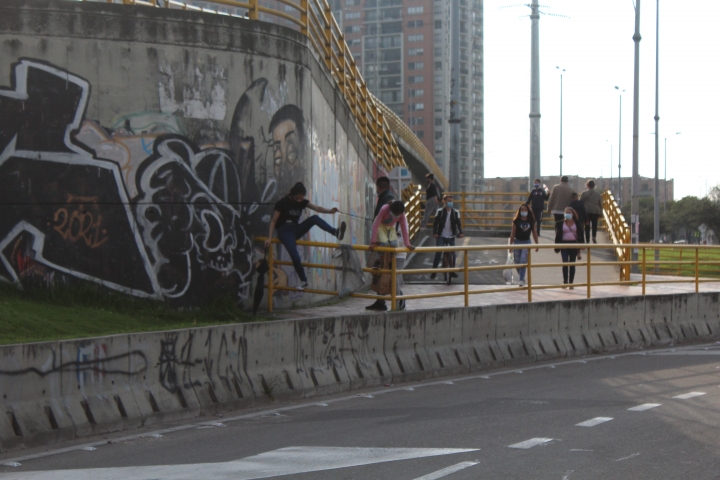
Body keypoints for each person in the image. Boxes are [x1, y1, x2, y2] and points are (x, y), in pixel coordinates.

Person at [265, 182, 346, 290]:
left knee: (314, 219)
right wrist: (269, 238)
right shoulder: (283, 203)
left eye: (301, 199)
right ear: (292, 195)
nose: (299, 201)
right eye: (297, 199)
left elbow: (317, 208)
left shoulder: (303, 202)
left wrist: (330, 211)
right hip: (284, 231)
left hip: (295, 229)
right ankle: (303, 280)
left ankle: (335, 232)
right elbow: (273, 221)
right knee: (295, 256)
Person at [367, 201, 416, 311]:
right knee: (382, 276)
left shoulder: (401, 218)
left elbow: (404, 231)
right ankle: (381, 302)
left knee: (394, 278)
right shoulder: (385, 211)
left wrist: (408, 244)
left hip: (398, 253)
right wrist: (373, 242)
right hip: (387, 251)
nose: (395, 217)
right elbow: (376, 225)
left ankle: (399, 302)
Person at [365, 176, 397, 311]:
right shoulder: (391, 197)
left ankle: (384, 301)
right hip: (388, 239)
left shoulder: (385, 199)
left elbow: (378, 221)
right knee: (381, 270)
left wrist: (374, 241)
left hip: (382, 241)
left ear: (379, 187)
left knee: (379, 270)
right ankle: (381, 300)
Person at [431, 195, 464, 280]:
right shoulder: (440, 212)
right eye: (448, 201)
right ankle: (434, 272)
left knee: (453, 254)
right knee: (438, 253)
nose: (450, 203)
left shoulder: (455, 212)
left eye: (451, 201)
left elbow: (458, 224)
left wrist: (460, 232)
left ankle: (452, 272)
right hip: (441, 235)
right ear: (444, 201)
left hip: (451, 235)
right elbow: (435, 224)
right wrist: (435, 233)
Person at [554, 206, 585, 289]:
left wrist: (582, 245)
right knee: (565, 263)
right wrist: (556, 246)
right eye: (566, 213)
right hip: (564, 245)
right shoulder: (560, 223)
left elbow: (581, 234)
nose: (568, 214)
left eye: (569, 213)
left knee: (572, 263)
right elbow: (557, 235)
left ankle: (571, 282)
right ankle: (565, 282)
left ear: (573, 214)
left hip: (574, 245)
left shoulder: (577, 223)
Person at [509, 204, 539, 287]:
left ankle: (521, 279)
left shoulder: (531, 221)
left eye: (525, 210)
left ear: (528, 211)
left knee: (523, 260)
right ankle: (521, 275)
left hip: (526, 242)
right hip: (517, 242)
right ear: (520, 211)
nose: (524, 211)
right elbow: (513, 234)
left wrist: (537, 244)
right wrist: (510, 245)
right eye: (522, 210)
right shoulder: (516, 221)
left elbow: (534, 233)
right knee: (517, 261)